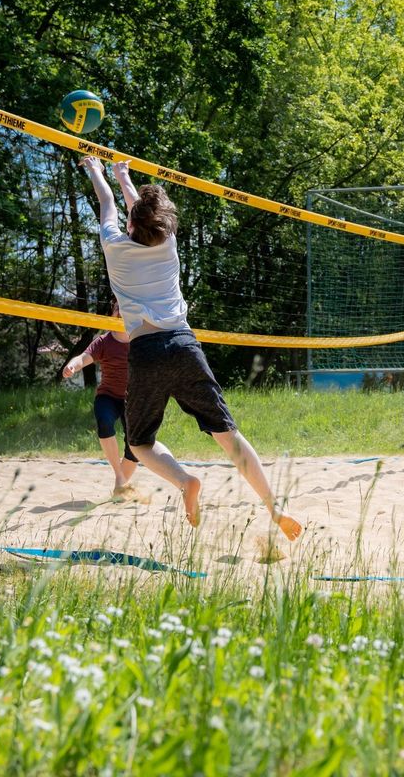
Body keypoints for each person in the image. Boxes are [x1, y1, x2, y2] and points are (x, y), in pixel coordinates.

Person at [81, 156, 302, 540]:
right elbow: (135, 211)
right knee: (227, 434)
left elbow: (109, 206)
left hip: (146, 351)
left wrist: (97, 171)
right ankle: (273, 504)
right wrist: (124, 176)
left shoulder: (115, 246)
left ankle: (185, 482)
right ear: (161, 224)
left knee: (139, 442)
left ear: (132, 224)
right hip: (185, 345)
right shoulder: (168, 244)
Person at [62, 299, 142, 499]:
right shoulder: (104, 341)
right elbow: (83, 357)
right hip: (108, 396)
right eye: (118, 309)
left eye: (126, 309)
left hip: (133, 401)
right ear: (112, 314)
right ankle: (119, 477)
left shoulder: (140, 341)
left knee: (135, 447)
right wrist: (72, 366)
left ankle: (120, 486)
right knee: (105, 423)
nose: (121, 312)